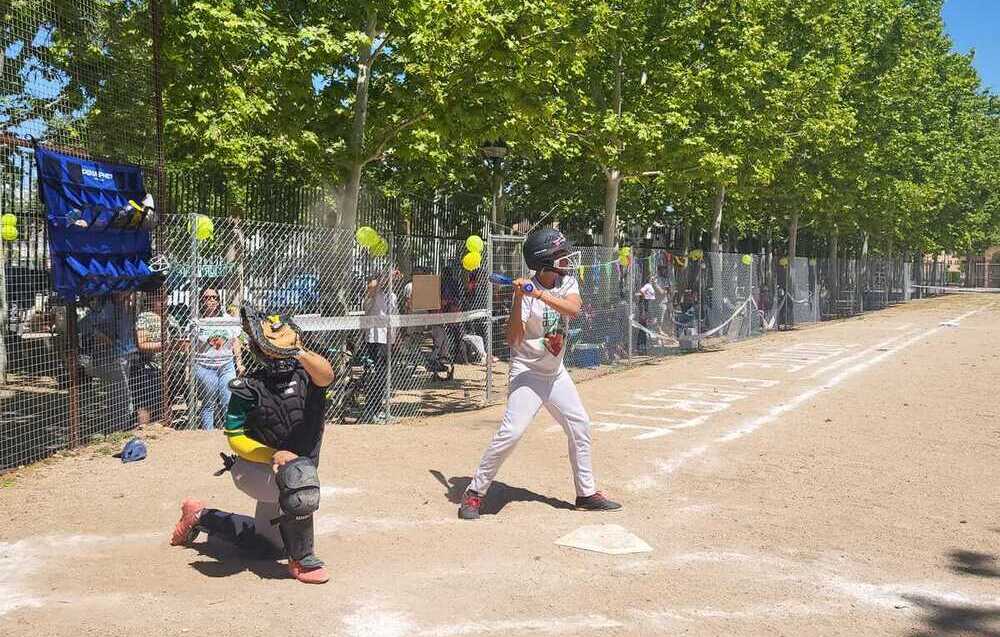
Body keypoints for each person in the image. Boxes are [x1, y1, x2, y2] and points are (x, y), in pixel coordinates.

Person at [458, 228, 622, 519]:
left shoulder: (566, 281)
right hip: (528, 374)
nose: (566, 258)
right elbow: (513, 339)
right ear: (544, 261)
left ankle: (586, 494)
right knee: (512, 432)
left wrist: (541, 294)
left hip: (556, 374)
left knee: (580, 426)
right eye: (559, 255)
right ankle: (474, 492)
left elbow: (572, 309)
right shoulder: (527, 294)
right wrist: (521, 297)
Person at [170, 305, 335, 584]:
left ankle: (201, 515)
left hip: (288, 474)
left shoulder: (309, 373)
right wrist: (272, 454)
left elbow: (327, 375)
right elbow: (234, 437)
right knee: (299, 476)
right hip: (253, 469)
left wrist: (296, 350)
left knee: (267, 547)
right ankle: (303, 559)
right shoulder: (249, 386)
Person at [77, 292, 140, 431]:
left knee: (121, 394)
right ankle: (119, 429)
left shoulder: (125, 308)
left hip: (125, 355)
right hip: (111, 358)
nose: (129, 294)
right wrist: (102, 338)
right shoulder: (105, 307)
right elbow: (84, 326)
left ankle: (119, 427)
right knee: (120, 395)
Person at [193, 288, 244, 430]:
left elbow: (235, 342)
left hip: (226, 366)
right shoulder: (197, 321)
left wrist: (239, 363)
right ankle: (208, 436)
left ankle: (230, 433)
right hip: (205, 366)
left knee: (228, 401)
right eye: (207, 298)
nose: (211, 300)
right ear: (201, 301)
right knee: (208, 404)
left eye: (214, 297)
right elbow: (188, 345)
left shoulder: (227, 319)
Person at [134, 291, 183, 427]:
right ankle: (144, 431)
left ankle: (165, 430)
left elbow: (176, 341)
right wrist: (164, 346)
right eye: (158, 298)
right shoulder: (144, 318)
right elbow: (142, 343)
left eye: (164, 298)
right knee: (147, 404)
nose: (162, 301)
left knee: (167, 402)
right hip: (150, 368)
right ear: (150, 299)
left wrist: (179, 346)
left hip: (170, 368)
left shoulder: (171, 318)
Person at [362, 268, 401, 421]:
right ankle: (370, 410)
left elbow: (395, 317)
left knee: (384, 376)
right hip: (375, 339)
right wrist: (386, 276)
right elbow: (372, 288)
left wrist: (396, 338)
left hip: (388, 339)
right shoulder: (372, 296)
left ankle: (381, 409)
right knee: (374, 375)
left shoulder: (392, 296)